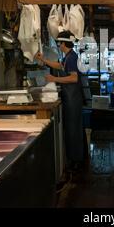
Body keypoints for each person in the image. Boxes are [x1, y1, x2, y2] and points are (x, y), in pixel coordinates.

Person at [35, 31, 84, 171]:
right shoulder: (68, 56)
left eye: (59, 43)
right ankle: (75, 160)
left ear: (63, 43)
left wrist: (54, 79)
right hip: (70, 97)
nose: (58, 46)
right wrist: (43, 60)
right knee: (71, 129)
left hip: (73, 98)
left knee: (73, 130)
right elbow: (59, 66)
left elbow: (74, 78)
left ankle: (76, 161)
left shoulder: (72, 57)